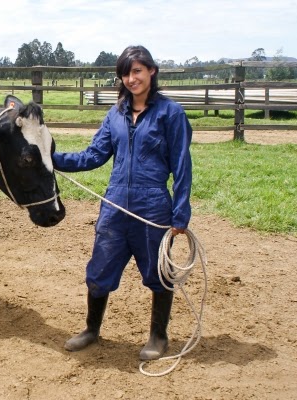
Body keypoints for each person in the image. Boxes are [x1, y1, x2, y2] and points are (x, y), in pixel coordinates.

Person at [52, 45, 192, 360]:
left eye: (137, 71)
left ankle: (158, 337)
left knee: (159, 274)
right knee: (98, 272)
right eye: (126, 73)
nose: (132, 78)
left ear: (151, 71)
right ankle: (91, 330)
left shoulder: (172, 114)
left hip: (153, 206)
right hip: (114, 205)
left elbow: (182, 166)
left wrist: (181, 213)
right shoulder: (115, 114)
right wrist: (52, 158)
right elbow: (93, 155)